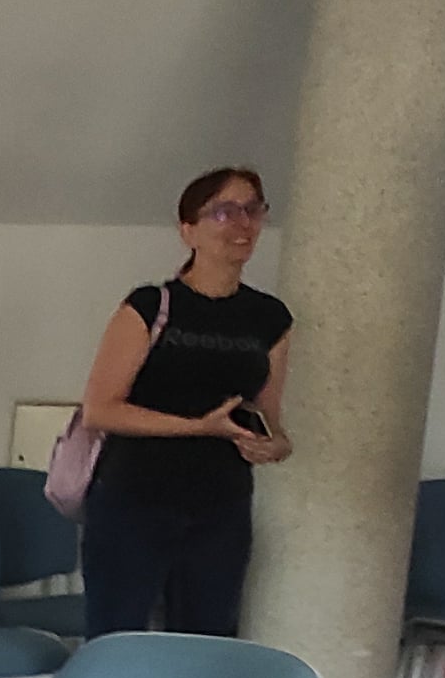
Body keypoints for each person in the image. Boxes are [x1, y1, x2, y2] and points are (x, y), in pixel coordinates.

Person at [72, 165, 292, 639]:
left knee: (205, 643)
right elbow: (101, 409)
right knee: (117, 642)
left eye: (253, 210)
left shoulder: (270, 318)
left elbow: (270, 419)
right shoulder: (150, 306)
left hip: (222, 506)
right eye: (224, 212)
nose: (242, 224)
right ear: (188, 230)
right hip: (133, 500)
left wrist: (274, 446)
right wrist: (198, 427)